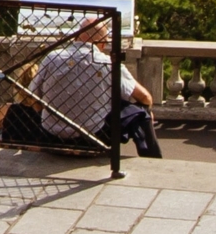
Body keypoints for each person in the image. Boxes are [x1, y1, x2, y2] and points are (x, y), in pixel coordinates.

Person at [30, 19, 158, 156]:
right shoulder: (108, 63)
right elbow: (145, 97)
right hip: (93, 137)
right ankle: (151, 158)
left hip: (52, 134)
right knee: (139, 111)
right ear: (102, 43)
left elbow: (32, 94)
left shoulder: (51, 58)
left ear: (76, 37)